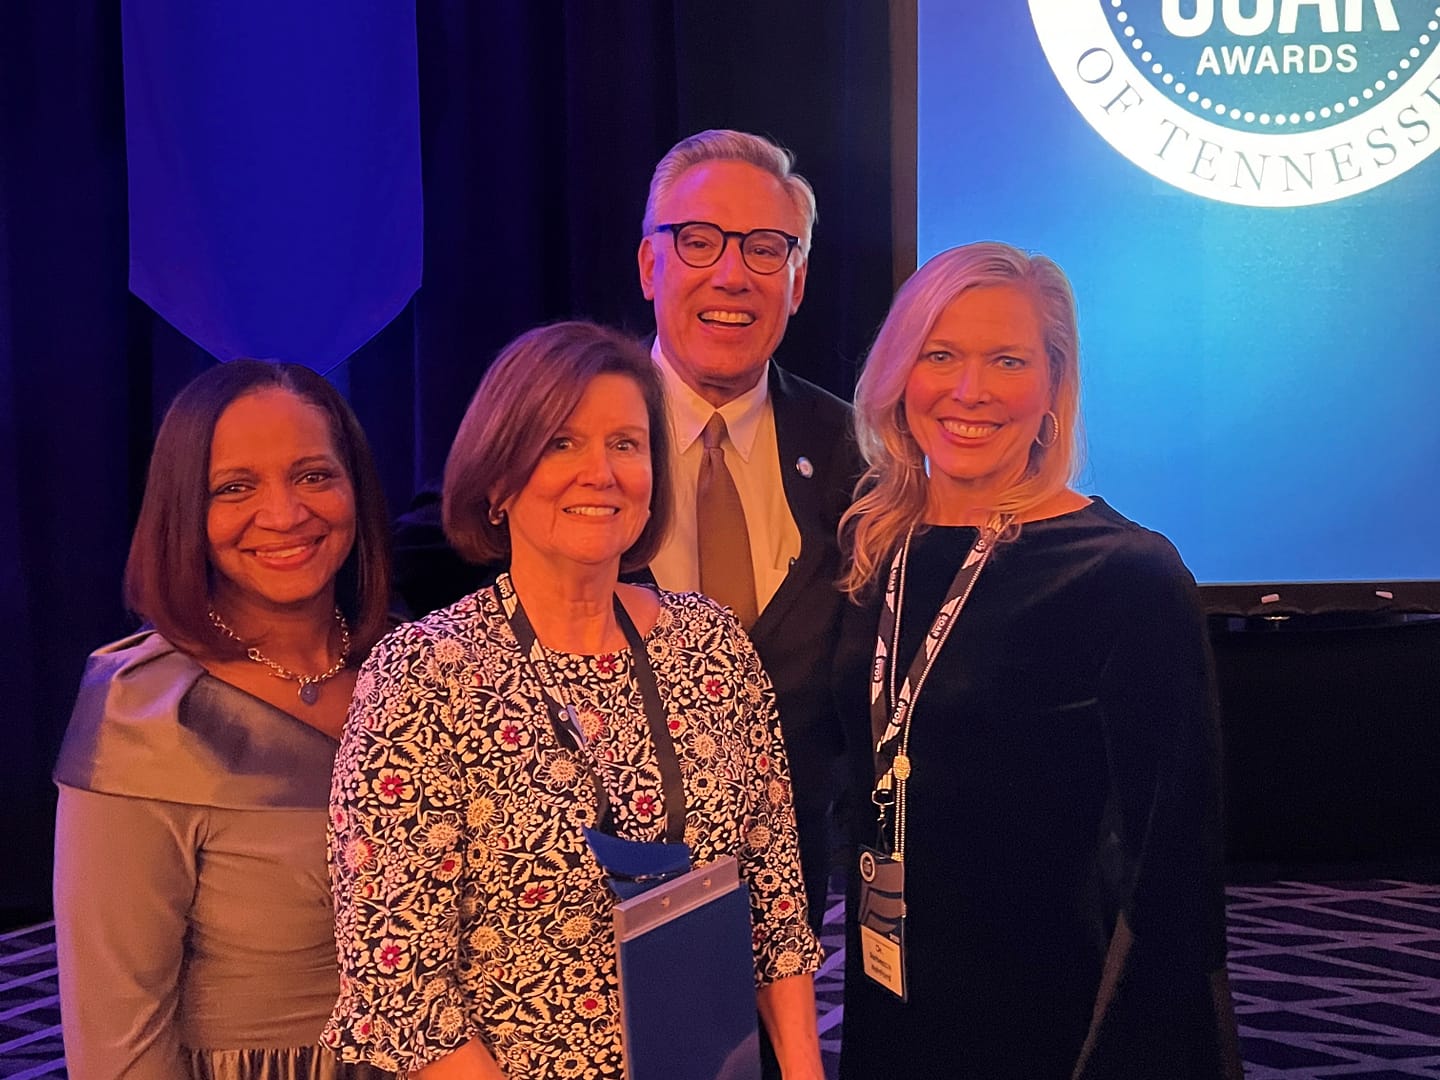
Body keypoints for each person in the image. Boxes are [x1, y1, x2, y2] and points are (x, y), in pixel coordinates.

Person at [392, 130, 862, 940]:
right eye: (699, 240)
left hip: (782, 920)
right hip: (557, 929)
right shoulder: (551, 435)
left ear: (798, 281)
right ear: (650, 266)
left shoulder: (856, 456)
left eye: (764, 248)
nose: (730, 273)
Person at [324, 321, 824, 1079]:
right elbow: (403, 996)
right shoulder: (425, 677)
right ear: (497, 479)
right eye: (561, 443)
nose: (601, 471)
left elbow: (776, 903)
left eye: (626, 444)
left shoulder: (712, 645)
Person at [834, 242, 1242, 1079]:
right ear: (900, 373)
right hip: (892, 982)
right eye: (939, 355)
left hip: (1054, 1016)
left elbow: (1170, 869)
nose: (968, 390)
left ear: (1054, 385)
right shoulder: (877, 549)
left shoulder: (1124, 572)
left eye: (1006, 360)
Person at [52, 360, 393, 1079]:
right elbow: (117, 1038)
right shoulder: (145, 710)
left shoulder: (419, 668)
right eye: (235, 488)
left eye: (313, 476)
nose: (284, 514)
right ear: (185, 510)